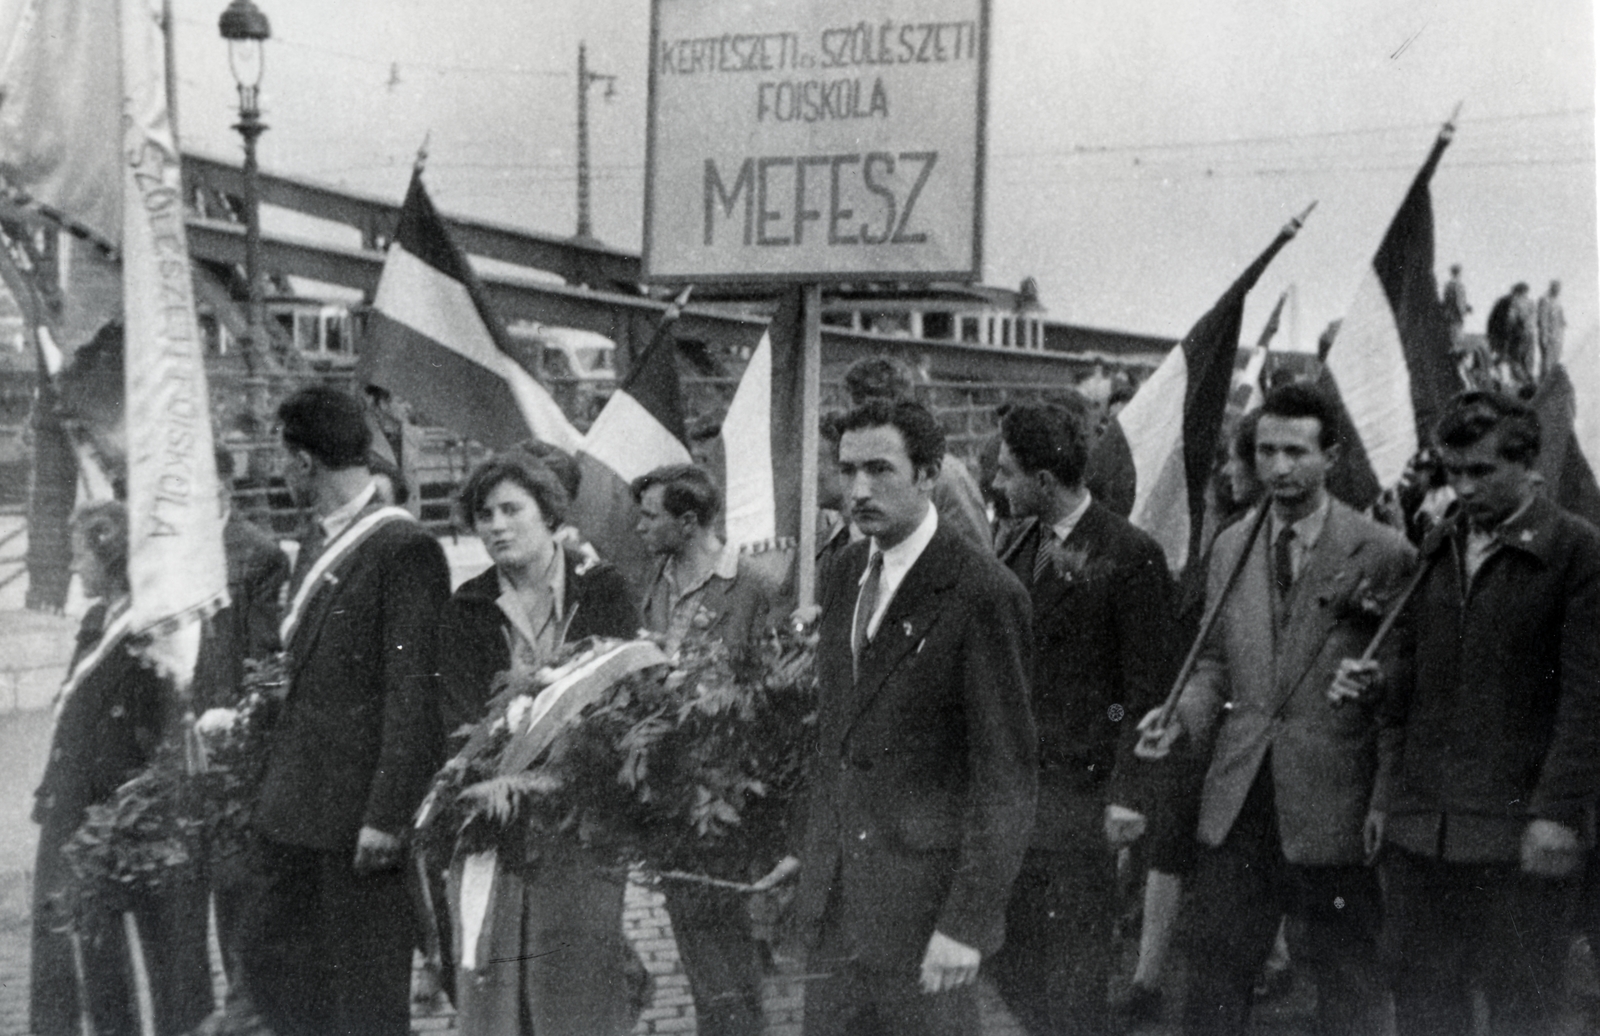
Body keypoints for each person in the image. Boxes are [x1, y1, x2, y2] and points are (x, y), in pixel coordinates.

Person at [1136, 383, 1415, 1036]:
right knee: (1214, 972)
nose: (1280, 468)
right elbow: (1212, 665)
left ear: (1333, 456)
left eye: (1296, 451)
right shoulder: (1232, 545)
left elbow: (1405, 684)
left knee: (1348, 978)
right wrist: (1180, 717)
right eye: (1266, 451)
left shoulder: (1382, 551)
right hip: (1239, 800)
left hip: (1332, 801)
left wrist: (1378, 693)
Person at [758, 397, 1038, 1036]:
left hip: (922, 917)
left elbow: (1006, 778)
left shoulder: (982, 594)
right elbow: (838, 734)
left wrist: (965, 926)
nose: (858, 489)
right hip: (838, 911)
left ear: (929, 473)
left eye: (880, 470)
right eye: (848, 469)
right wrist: (811, 847)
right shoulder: (844, 571)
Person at [1337, 389, 1600, 1035]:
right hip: (1423, 829)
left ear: (1529, 465)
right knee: (1425, 1004)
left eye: (1480, 472)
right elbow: (1416, 678)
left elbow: (1587, 701)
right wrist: (1378, 685)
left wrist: (1556, 816)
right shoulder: (1438, 542)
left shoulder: (1575, 552)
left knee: (1521, 1007)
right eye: (1452, 472)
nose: (1463, 488)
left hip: (1516, 836)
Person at [243, 385, 450, 1036]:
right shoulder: (314, 538)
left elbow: (413, 692)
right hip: (291, 816)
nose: (280, 471)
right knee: (282, 984)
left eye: (282, 457)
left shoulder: (403, 548)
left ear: (303, 462)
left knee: (364, 1005)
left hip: (357, 825)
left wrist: (387, 816)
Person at [987, 403, 1178, 1036]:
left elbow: (1144, 690)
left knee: (1073, 970)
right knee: (1011, 958)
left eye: (1006, 471)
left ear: (1044, 480)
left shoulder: (1130, 553)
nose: (994, 482)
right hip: (1015, 794)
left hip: (1083, 794)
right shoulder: (1016, 541)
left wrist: (1128, 793)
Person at [436, 452, 643, 1036]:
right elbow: (459, 718)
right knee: (500, 989)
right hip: (496, 820)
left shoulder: (603, 590)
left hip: (584, 820)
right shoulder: (467, 607)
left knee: (578, 985)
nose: (496, 525)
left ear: (548, 513)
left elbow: (629, 699)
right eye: (483, 514)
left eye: (511, 509)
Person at [30, 501, 213, 1036]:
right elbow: (75, 715)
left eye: (79, 555)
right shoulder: (95, 620)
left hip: (128, 813)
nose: (72, 567)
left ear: (110, 555)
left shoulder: (153, 627)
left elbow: (164, 726)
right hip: (76, 808)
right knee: (93, 956)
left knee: (158, 961)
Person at [632, 462, 779, 1036]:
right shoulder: (659, 583)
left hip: (723, 796)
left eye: (651, 516)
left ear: (688, 522)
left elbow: (773, 695)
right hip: (670, 792)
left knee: (721, 937)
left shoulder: (751, 585)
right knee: (692, 935)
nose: (640, 528)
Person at [191, 448, 290, 1011]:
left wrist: (232, 723)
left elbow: (263, 657)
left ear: (225, 488)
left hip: (227, 747)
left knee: (235, 892)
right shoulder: (165, 557)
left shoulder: (258, 555)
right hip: (172, 745)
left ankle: (246, 1008)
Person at [843, 356, 993, 551]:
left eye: (854, 412)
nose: (848, 423)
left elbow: (979, 562)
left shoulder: (946, 476)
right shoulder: (855, 471)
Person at [1538, 279, 1566, 376]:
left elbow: (1562, 319)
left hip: (1557, 336)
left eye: (1559, 288)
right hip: (1548, 336)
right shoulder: (1545, 300)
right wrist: (1544, 336)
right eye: (1556, 288)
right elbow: (1542, 320)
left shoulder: (1558, 302)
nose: (1558, 290)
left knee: (1556, 361)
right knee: (1547, 362)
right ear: (1551, 288)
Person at [1441, 263, 1471, 343]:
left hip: (1448, 315)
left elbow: (1445, 300)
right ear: (1458, 273)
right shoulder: (1459, 285)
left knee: (1450, 337)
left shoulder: (1447, 285)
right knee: (1457, 338)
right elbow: (1459, 302)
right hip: (1456, 315)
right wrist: (1464, 309)